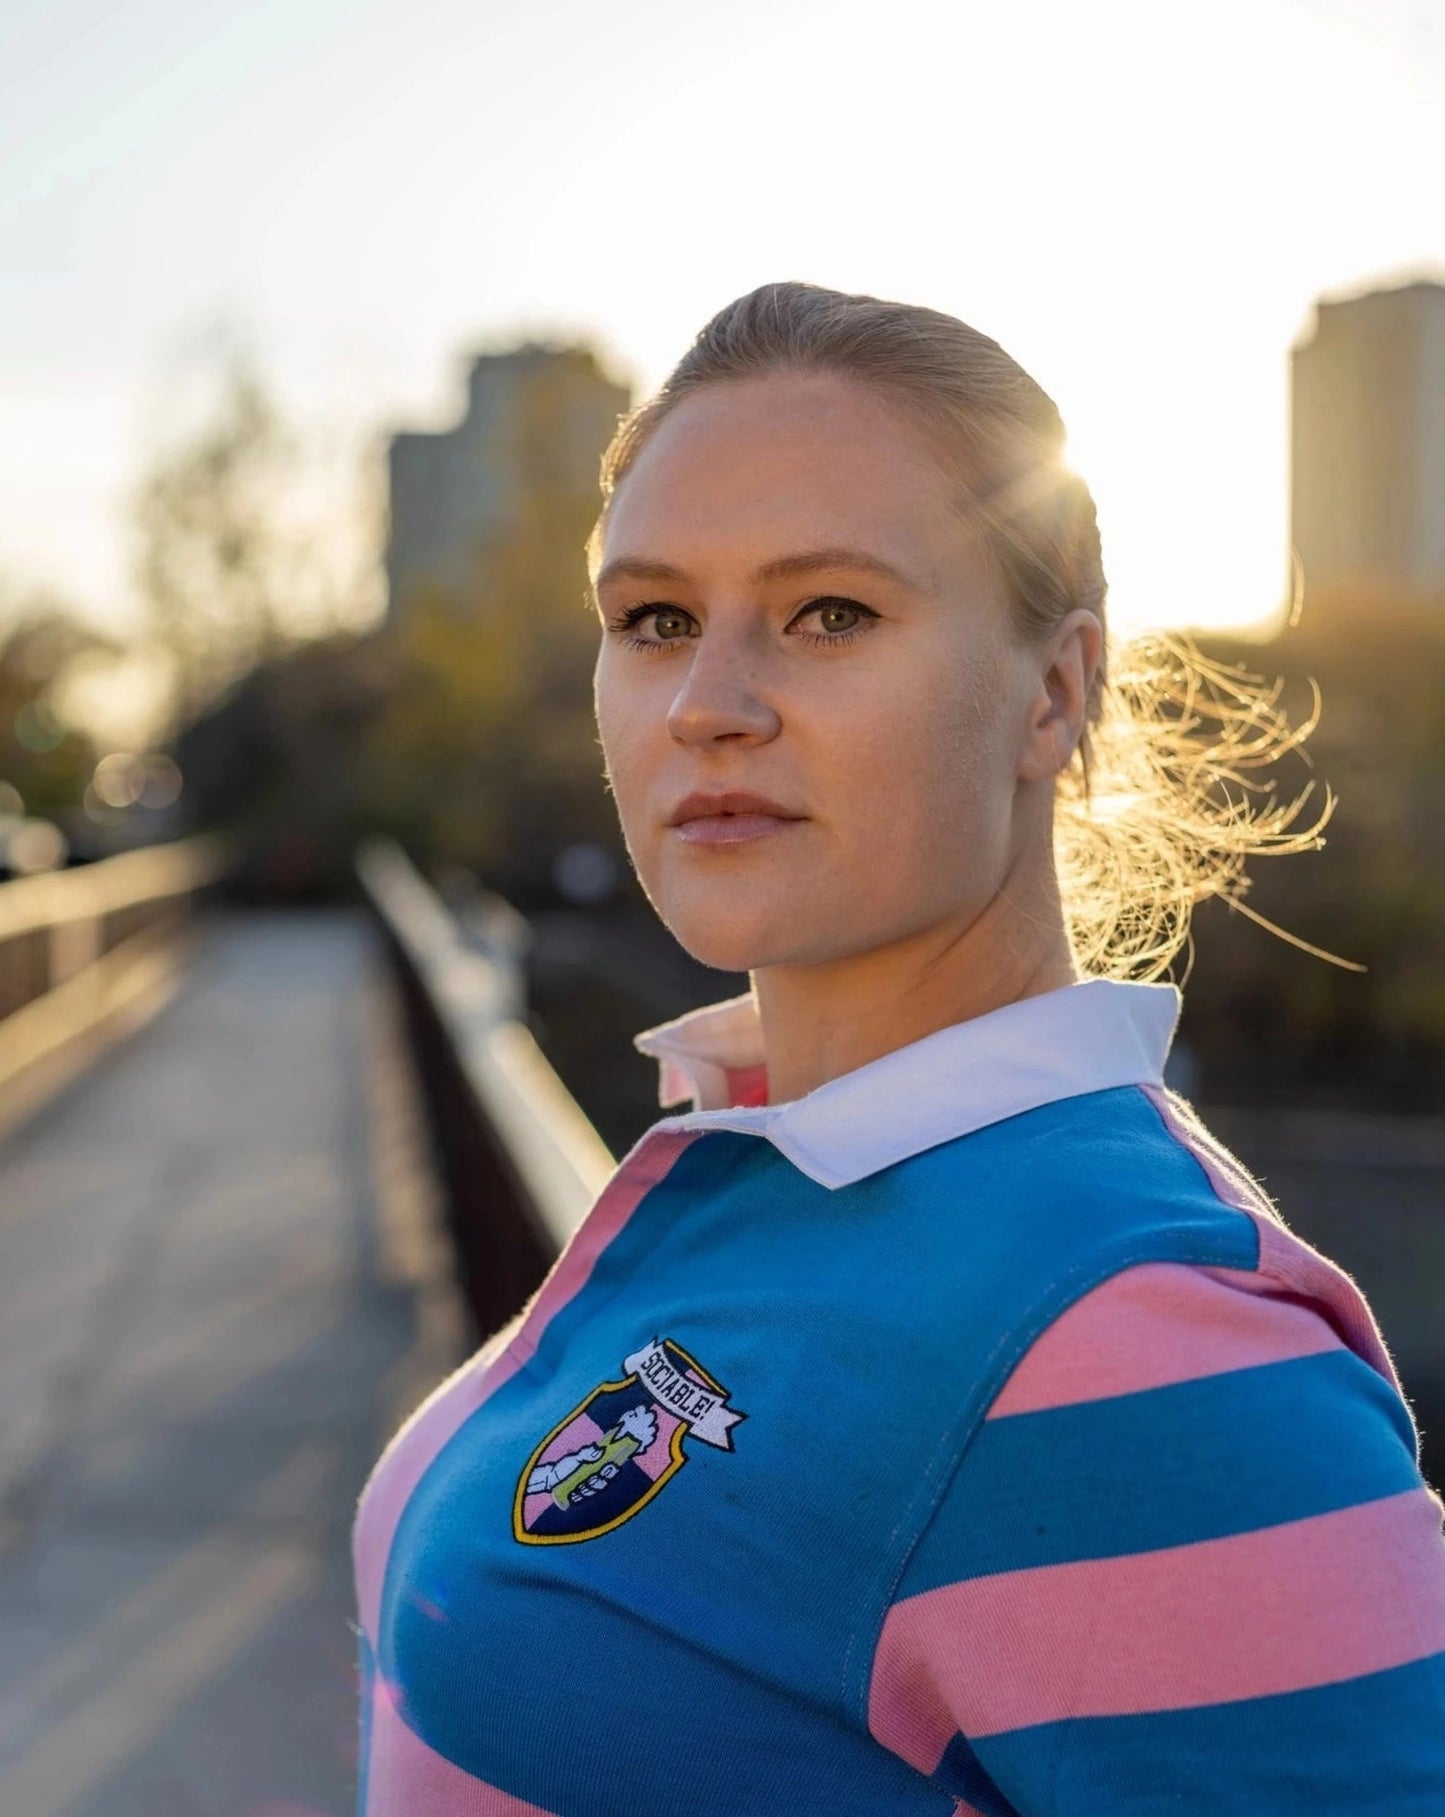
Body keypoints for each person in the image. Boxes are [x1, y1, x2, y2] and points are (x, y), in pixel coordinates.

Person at [352, 281, 1445, 1815]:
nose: (706, 703)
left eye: (829, 613)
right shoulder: (769, 1147)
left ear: (1050, 693)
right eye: (653, 618)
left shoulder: (1149, 1343)